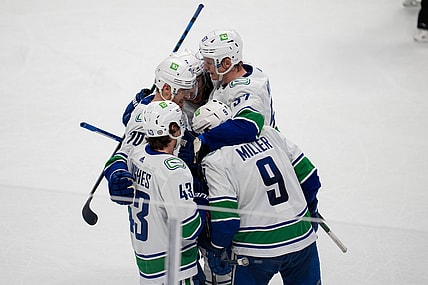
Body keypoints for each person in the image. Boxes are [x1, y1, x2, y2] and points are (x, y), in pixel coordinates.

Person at [192, 100, 322, 285]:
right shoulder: (269, 133)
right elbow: (310, 178)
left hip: (256, 249)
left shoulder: (216, 160)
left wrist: (216, 248)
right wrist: (311, 213)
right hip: (301, 238)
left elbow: (226, 221)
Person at [121, 100, 206, 284]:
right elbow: (188, 230)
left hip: (147, 263)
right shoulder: (174, 170)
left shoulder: (136, 155)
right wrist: (201, 202)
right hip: (175, 270)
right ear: (173, 128)